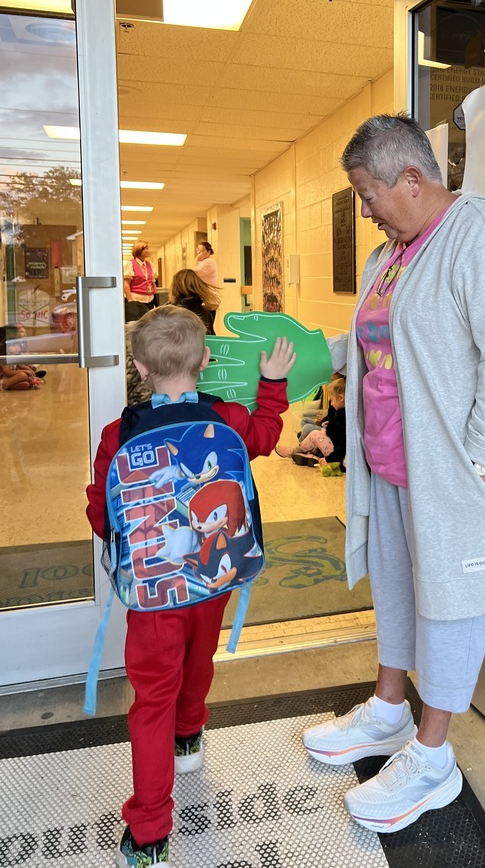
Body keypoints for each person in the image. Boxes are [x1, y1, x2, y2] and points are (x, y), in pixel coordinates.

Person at [301, 113, 485, 833]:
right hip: (394, 462)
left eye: (369, 194)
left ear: (412, 178)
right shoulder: (390, 255)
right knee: (402, 590)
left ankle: (432, 760)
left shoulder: (478, 234)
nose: (366, 211)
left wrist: (480, 458)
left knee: (451, 604)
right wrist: (311, 355)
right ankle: (387, 712)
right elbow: (375, 335)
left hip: (453, 471)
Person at [86, 305, 295, 867]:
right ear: (205, 360)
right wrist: (272, 385)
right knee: (199, 660)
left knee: (150, 697)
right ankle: (190, 737)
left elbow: (102, 512)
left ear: (139, 367)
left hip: (153, 593)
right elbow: (269, 435)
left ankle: (150, 833)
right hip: (213, 576)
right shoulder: (225, 418)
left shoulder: (117, 434)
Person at [276, 375, 346, 467]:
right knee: (312, 428)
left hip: (336, 456)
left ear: (341, 398)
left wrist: (329, 460)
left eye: (332, 400)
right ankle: (311, 455)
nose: (331, 403)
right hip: (334, 449)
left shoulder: (341, 419)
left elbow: (342, 446)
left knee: (314, 434)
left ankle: (295, 452)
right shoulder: (340, 414)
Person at [169, 267, 219, 334]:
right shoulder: (207, 313)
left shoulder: (167, 313)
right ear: (198, 286)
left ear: (175, 288)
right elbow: (211, 341)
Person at [123, 240, 157, 322]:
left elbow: (152, 282)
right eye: (146, 248)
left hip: (149, 300)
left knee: (148, 324)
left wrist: (156, 298)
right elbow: (126, 284)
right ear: (139, 250)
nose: (148, 251)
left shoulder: (150, 265)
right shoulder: (130, 264)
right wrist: (130, 301)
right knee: (136, 325)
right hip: (135, 300)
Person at [194, 240, 220, 332]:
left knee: (207, 327)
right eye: (198, 251)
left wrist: (196, 260)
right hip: (205, 298)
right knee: (206, 326)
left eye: (201, 251)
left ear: (208, 252)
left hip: (209, 300)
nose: (199, 254)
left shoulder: (208, 262)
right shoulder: (204, 262)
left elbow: (195, 273)